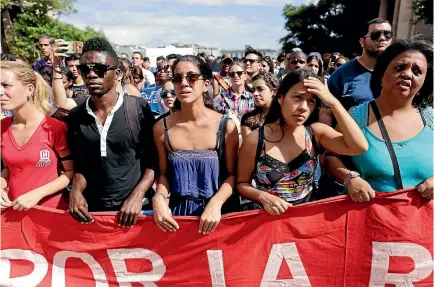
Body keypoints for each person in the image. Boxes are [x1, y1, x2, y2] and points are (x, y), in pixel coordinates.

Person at [236, 69, 368, 214]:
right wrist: (262, 197)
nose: (304, 108)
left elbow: (359, 147)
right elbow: (242, 184)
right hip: (268, 225)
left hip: (306, 223)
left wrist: (333, 103)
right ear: (280, 98)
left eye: (311, 101)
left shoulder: (316, 133)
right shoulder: (256, 140)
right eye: (297, 97)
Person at [325, 39, 433, 201]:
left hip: (424, 222)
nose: (407, 74)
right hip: (372, 220)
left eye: (417, 71)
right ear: (382, 72)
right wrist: (350, 180)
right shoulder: (357, 116)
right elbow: (330, 158)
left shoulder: (431, 118)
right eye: (399, 67)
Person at [66, 38, 156, 227]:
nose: (91, 75)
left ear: (116, 74)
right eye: (85, 69)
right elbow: (83, 165)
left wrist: (137, 196)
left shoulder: (138, 109)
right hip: (92, 214)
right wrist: (76, 190)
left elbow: (154, 163)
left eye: (99, 69)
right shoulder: (76, 116)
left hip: (135, 213)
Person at [152, 55, 239, 234]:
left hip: (218, 217)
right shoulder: (162, 127)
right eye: (177, 78)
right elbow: (163, 175)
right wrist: (159, 198)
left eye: (191, 77)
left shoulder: (226, 126)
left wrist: (216, 203)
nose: (184, 83)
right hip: (178, 219)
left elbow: (233, 176)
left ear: (206, 84)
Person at [0, 61, 74, 211]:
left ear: (30, 89)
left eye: (6, 85)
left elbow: (69, 172)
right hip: (13, 212)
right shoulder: (2, 127)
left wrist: (37, 194)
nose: (0, 92)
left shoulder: (54, 128)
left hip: (50, 216)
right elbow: (8, 168)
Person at [327, 18, 393, 111]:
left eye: (387, 34)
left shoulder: (397, 72)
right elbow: (326, 111)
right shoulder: (342, 74)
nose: (382, 38)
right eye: (375, 34)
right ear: (362, 42)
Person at [240, 72, 278, 140]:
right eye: (253, 90)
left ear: (274, 91)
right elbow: (249, 146)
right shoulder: (247, 118)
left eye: (260, 89)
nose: (255, 93)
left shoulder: (284, 117)